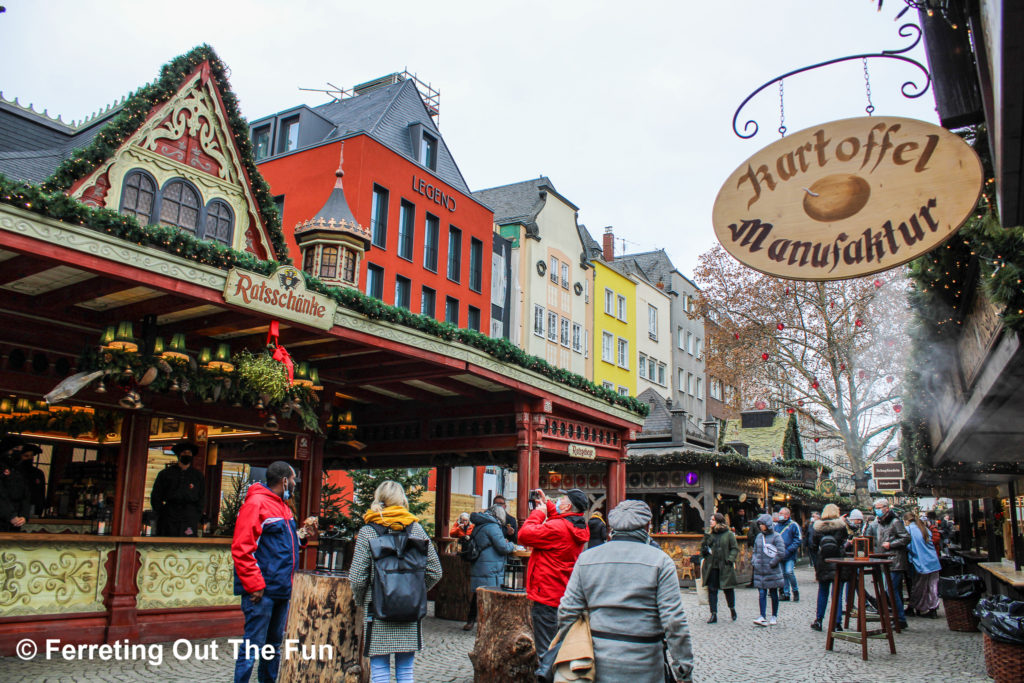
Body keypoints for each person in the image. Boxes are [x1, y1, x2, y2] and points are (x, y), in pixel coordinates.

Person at [558, 499, 694, 683]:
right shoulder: (661, 562)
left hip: (597, 662)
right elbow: (674, 621)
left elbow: (567, 611)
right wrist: (683, 670)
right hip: (646, 664)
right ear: (647, 526)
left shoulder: (586, 559)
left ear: (612, 527)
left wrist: (573, 648)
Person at [231, 461, 317, 683]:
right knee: (252, 646)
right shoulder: (256, 504)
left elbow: (282, 543)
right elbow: (242, 548)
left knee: (272, 648)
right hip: (263, 590)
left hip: (281, 588)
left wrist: (303, 535)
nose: (296, 484)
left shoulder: (283, 506)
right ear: (285, 480)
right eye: (294, 479)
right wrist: (255, 585)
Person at [350, 480, 442, 683]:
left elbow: (357, 578)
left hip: (377, 608)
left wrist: (360, 600)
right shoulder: (416, 530)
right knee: (406, 670)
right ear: (402, 500)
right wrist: (414, 590)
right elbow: (435, 571)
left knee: (380, 668)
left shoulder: (368, 532)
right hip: (409, 608)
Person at [518, 487, 589, 678]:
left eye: (562, 499)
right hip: (561, 591)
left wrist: (537, 513)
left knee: (546, 650)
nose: (559, 501)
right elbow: (561, 520)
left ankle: (547, 676)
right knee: (558, 643)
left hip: (546, 593)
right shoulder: (579, 525)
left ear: (566, 505)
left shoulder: (556, 528)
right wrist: (547, 504)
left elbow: (524, 535)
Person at [463, 503, 515, 630]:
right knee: (491, 595)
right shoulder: (493, 526)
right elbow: (502, 547)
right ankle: (489, 624)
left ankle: (471, 621)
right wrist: (512, 545)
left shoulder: (481, 524)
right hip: (491, 565)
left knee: (479, 594)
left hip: (481, 563)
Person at [869, 497, 911, 629]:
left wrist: (891, 544)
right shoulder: (881, 522)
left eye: (880, 507)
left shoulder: (894, 522)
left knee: (891, 590)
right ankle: (899, 618)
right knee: (894, 590)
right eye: (876, 508)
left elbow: (906, 537)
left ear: (886, 508)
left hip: (895, 561)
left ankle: (899, 618)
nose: (878, 510)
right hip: (886, 561)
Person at [150, 441, 205, 536]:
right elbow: (156, 495)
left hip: (189, 515)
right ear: (179, 455)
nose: (187, 455)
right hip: (169, 514)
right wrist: (162, 512)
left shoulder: (197, 476)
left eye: (189, 453)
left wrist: (196, 515)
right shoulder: (166, 474)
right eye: (184, 453)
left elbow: (202, 497)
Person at [809, 504, 848, 632]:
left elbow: (813, 545)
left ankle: (819, 620)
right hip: (838, 562)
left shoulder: (818, 527)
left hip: (824, 562)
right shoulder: (841, 527)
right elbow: (844, 542)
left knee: (823, 592)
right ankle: (837, 623)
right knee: (837, 593)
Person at [700, 512, 739, 623]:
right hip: (712, 566)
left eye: (712, 520)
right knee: (712, 590)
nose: (710, 522)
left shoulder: (728, 534)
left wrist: (730, 559)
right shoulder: (710, 534)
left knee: (728, 589)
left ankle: (732, 609)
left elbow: (734, 548)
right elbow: (703, 547)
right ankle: (713, 613)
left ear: (718, 521)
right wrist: (707, 539)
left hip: (725, 565)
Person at [904, 511, 941, 618]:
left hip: (920, 562)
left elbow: (908, 546)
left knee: (918, 587)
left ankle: (914, 607)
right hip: (933, 561)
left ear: (906, 521)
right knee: (933, 586)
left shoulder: (909, 530)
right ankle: (933, 608)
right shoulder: (924, 529)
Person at [752, 513, 786, 626]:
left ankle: (774, 615)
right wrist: (754, 561)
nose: (761, 526)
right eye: (760, 524)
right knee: (762, 593)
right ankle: (762, 615)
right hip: (760, 570)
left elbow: (781, 553)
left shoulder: (776, 537)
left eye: (763, 524)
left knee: (773, 592)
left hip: (772, 570)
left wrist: (772, 563)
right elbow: (755, 551)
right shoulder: (759, 537)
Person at [0, 436, 31, 532]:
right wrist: (11, 515)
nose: (18, 453)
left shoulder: (19, 468)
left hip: (16, 519)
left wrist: (24, 515)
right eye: (15, 449)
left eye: (20, 450)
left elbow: (26, 493)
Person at [775, 507, 802, 602]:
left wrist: (789, 550)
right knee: (782, 574)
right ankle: (786, 593)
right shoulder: (776, 526)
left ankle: (795, 591)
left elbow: (798, 539)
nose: (780, 515)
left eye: (781, 513)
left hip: (790, 554)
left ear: (787, 515)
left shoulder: (793, 525)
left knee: (789, 572)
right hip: (780, 554)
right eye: (779, 513)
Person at [13, 441, 45, 516]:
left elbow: (41, 492)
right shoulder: (14, 471)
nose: (29, 459)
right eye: (26, 456)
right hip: (15, 506)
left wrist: (40, 507)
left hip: (32, 506)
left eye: (31, 456)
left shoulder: (38, 473)